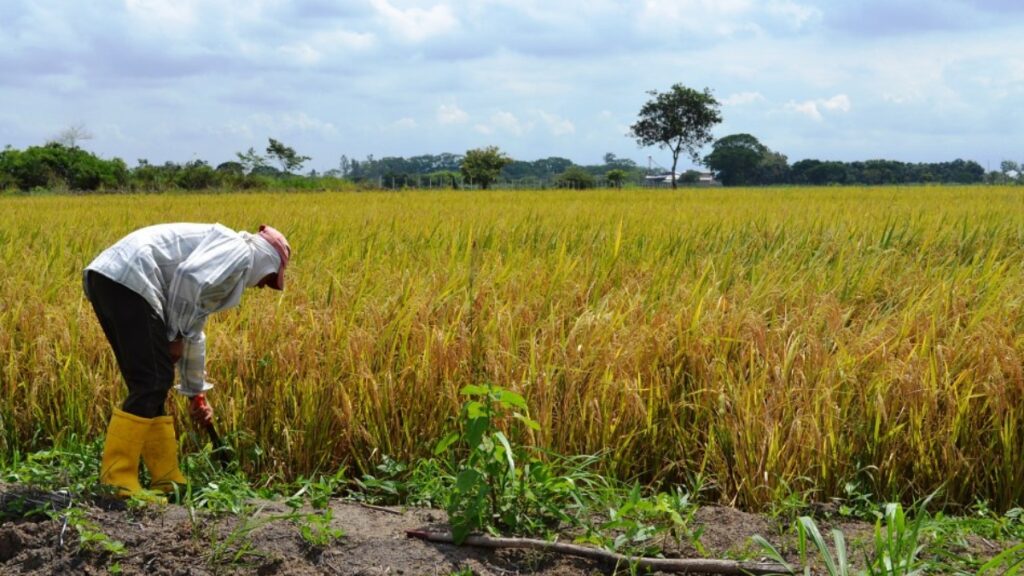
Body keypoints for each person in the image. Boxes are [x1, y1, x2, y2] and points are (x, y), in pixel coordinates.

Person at [83, 222, 291, 498]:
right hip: (130, 278)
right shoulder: (239, 252)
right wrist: (175, 335)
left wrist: (196, 393)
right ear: (267, 262)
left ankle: (167, 480)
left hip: (113, 279)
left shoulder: (225, 264)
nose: (264, 286)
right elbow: (189, 278)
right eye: (269, 278)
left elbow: (195, 328)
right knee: (153, 380)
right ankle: (118, 480)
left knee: (152, 381)